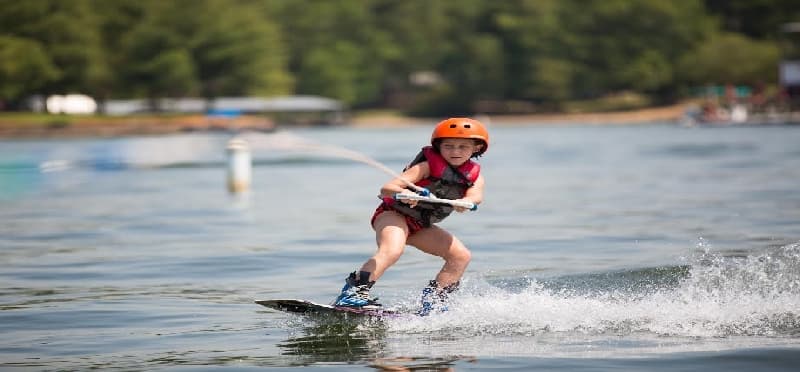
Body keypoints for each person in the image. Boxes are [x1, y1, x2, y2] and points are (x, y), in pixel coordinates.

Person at [333, 117, 489, 315]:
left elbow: (475, 196)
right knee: (393, 249)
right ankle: (352, 294)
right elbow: (387, 188)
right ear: (439, 147)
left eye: (462, 147)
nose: (455, 151)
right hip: (393, 215)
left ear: (476, 148)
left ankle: (434, 303)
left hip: (420, 225)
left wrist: (466, 203)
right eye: (448, 146)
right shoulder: (425, 167)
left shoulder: (474, 176)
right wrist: (407, 194)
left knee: (460, 256)